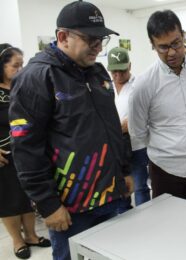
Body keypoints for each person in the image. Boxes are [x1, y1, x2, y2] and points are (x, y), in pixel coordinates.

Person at [8, 2, 133, 260]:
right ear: (63, 37)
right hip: (71, 208)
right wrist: (48, 205)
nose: (99, 47)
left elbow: (111, 127)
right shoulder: (37, 77)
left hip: (113, 196)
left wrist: (124, 171)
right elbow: (26, 150)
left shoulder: (98, 73)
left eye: (102, 39)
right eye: (91, 39)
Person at [128, 10, 186, 204]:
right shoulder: (144, 84)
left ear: (183, 35)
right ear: (152, 45)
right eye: (163, 47)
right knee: (168, 228)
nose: (172, 52)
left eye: (176, 43)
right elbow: (137, 132)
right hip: (165, 169)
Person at [0, 44, 51, 259]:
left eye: (22, 65)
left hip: (28, 152)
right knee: (9, 201)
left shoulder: (24, 86)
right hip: (4, 157)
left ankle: (31, 235)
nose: (20, 70)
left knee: (29, 196)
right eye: (15, 66)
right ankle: (17, 240)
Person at [107, 47, 151, 210]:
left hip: (137, 145)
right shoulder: (106, 87)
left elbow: (150, 114)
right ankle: (124, 217)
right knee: (120, 188)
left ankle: (144, 218)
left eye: (122, 71)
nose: (118, 75)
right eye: (114, 71)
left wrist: (130, 124)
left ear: (130, 66)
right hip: (115, 147)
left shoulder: (139, 85)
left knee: (140, 186)